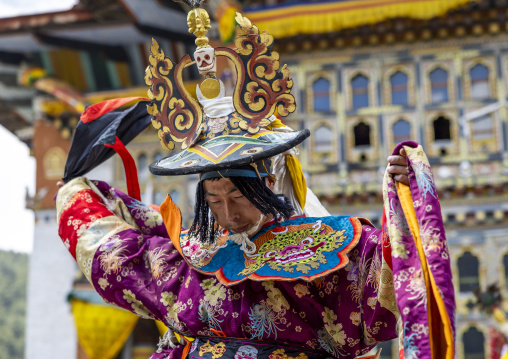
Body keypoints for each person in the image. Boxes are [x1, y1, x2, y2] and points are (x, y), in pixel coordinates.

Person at [55, 6, 454, 359]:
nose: (227, 213)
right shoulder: (187, 256)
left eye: (237, 195)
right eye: (213, 200)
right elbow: (116, 253)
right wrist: (73, 188)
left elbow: (399, 274)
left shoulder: (333, 248)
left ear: (267, 183)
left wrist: (405, 199)